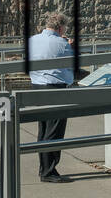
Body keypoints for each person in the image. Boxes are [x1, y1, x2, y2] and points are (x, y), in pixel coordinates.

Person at [28, 12, 75, 183]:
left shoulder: (32, 40)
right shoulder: (62, 43)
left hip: (37, 87)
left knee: (43, 130)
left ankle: (43, 168)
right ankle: (48, 171)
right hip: (55, 88)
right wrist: (70, 45)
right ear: (61, 27)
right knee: (54, 131)